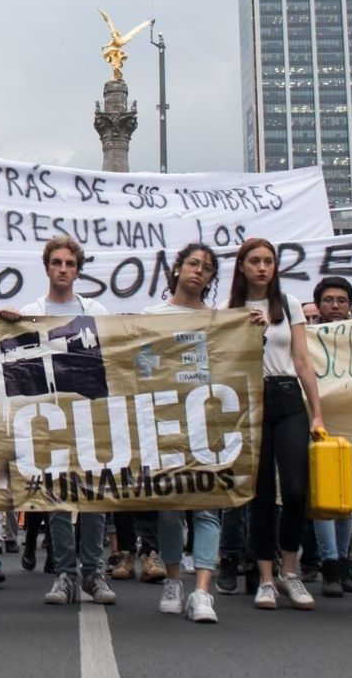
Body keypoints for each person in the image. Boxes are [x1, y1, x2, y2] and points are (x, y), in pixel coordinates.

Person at [11, 237, 115, 606]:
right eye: (56, 262)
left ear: (77, 269)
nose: (63, 269)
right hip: (50, 416)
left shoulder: (94, 309)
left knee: (93, 497)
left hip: (90, 414)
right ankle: (65, 574)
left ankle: (93, 572)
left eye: (69, 263)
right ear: (47, 267)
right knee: (56, 497)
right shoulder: (32, 309)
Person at [227, 237, 324, 612]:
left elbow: (301, 360)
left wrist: (316, 411)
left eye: (268, 261)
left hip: (287, 398)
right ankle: (266, 577)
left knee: (297, 490)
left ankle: (290, 570)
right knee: (261, 493)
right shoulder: (229, 308)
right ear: (242, 266)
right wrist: (251, 332)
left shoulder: (289, 304)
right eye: (255, 261)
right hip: (249, 400)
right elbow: (225, 362)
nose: (262, 268)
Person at [140, 243, 224, 623]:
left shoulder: (222, 321)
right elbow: (141, 367)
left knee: (208, 508)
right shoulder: (151, 316)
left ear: (211, 278)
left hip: (209, 422)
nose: (198, 271)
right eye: (193, 263)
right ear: (177, 268)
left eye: (206, 268)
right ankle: (174, 581)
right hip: (167, 423)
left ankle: (203, 591)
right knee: (171, 509)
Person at [309, 277, 352, 598]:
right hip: (319, 423)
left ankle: (343, 561)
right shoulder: (308, 337)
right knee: (324, 496)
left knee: (346, 498)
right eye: (329, 300)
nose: (335, 306)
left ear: (350, 305)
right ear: (318, 305)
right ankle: (329, 563)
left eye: (342, 300)